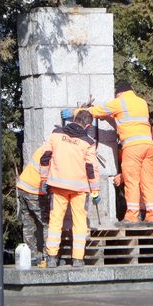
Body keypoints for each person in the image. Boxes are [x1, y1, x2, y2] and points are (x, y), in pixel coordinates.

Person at [61, 81, 153, 227]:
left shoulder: (119, 102)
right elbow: (127, 120)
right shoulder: (141, 103)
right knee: (147, 181)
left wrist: (75, 112)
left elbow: (96, 111)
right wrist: (110, 117)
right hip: (148, 146)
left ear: (118, 93)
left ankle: (132, 216)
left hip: (132, 147)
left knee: (131, 180)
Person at [40, 110, 100, 268]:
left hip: (58, 186)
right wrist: (95, 191)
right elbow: (91, 168)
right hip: (80, 189)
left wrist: (43, 180)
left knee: (55, 221)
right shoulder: (88, 142)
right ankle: (78, 259)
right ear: (87, 125)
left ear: (74, 119)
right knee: (80, 223)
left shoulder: (56, 134)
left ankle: (52, 258)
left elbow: (45, 157)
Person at [114, 126, 153, 225]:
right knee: (138, 183)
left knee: (144, 182)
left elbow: (144, 167)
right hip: (138, 172)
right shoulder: (130, 142)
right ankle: (141, 214)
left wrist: (122, 177)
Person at [16, 145, 49, 265]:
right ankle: (48, 256)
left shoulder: (43, 147)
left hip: (23, 187)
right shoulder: (52, 151)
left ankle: (30, 257)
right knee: (48, 223)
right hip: (34, 191)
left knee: (28, 223)